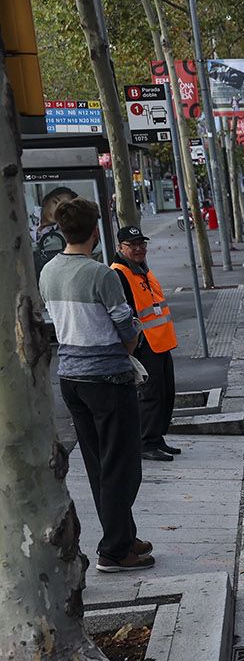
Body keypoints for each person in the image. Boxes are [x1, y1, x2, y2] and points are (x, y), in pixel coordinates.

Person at [37, 198, 153, 572]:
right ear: (93, 232)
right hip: (108, 379)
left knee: (98, 465)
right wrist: (131, 341)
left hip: (71, 378)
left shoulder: (49, 271)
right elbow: (127, 328)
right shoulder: (101, 275)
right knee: (123, 467)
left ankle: (121, 533)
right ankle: (115, 550)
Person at [110, 226, 181, 463]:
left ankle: (157, 438)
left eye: (142, 244)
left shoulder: (142, 270)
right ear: (121, 248)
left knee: (165, 394)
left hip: (161, 343)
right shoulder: (119, 274)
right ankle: (145, 443)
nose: (140, 249)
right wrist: (134, 344)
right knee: (149, 396)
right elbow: (123, 314)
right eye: (133, 245)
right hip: (144, 345)